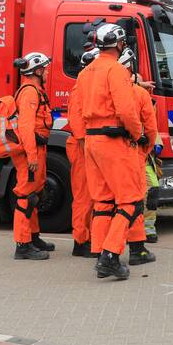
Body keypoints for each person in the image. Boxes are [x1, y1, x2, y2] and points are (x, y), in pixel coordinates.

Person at [80, 24, 145, 281]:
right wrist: (136, 133)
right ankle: (109, 256)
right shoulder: (116, 70)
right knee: (129, 200)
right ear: (118, 44)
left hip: (91, 141)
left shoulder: (87, 71)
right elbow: (127, 110)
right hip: (113, 140)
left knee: (103, 200)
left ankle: (99, 251)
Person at [10, 52, 55, 260]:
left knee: (35, 195)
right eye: (44, 69)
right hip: (31, 150)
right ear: (37, 71)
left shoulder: (34, 90)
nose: (47, 72)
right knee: (25, 196)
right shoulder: (29, 92)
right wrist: (32, 157)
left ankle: (33, 237)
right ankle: (23, 244)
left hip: (37, 148)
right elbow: (26, 127)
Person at [119, 46, 159, 266]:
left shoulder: (135, 95)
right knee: (132, 200)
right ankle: (133, 245)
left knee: (149, 192)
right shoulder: (134, 95)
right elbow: (146, 128)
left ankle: (144, 235)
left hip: (138, 151)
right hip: (136, 151)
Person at [67, 49, 95, 257]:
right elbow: (77, 121)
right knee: (83, 196)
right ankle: (80, 240)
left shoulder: (87, 87)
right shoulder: (80, 90)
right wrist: (85, 144)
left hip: (86, 144)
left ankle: (89, 237)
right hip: (80, 145)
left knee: (92, 196)